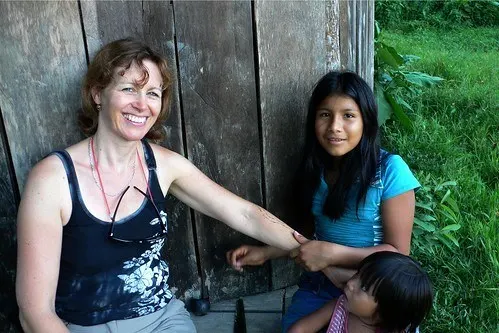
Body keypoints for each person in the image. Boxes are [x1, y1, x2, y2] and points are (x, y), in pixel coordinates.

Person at [15, 38, 301, 333]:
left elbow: (245, 214)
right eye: (129, 89)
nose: (142, 104)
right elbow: (35, 312)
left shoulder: (163, 165)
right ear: (97, 93)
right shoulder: (53, 179)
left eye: (153, 93)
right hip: (81, 326)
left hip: (161, 321)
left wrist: (311, 251)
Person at [226, 71, 421, 332]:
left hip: (372, 294)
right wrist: (266, 252)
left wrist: (332, 254)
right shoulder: (314, 170)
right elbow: (307, 239)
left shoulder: (389, 171)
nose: (335, 127)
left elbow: (398, 254)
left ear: (367, 121)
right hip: (320, 286)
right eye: (325, 114)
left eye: (348, 116)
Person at [287, 251, 434, 333]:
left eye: (363, 287)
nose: (350, 283)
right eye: (357, 275)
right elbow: (301, 328)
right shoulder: (340, 307)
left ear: (385, 311)